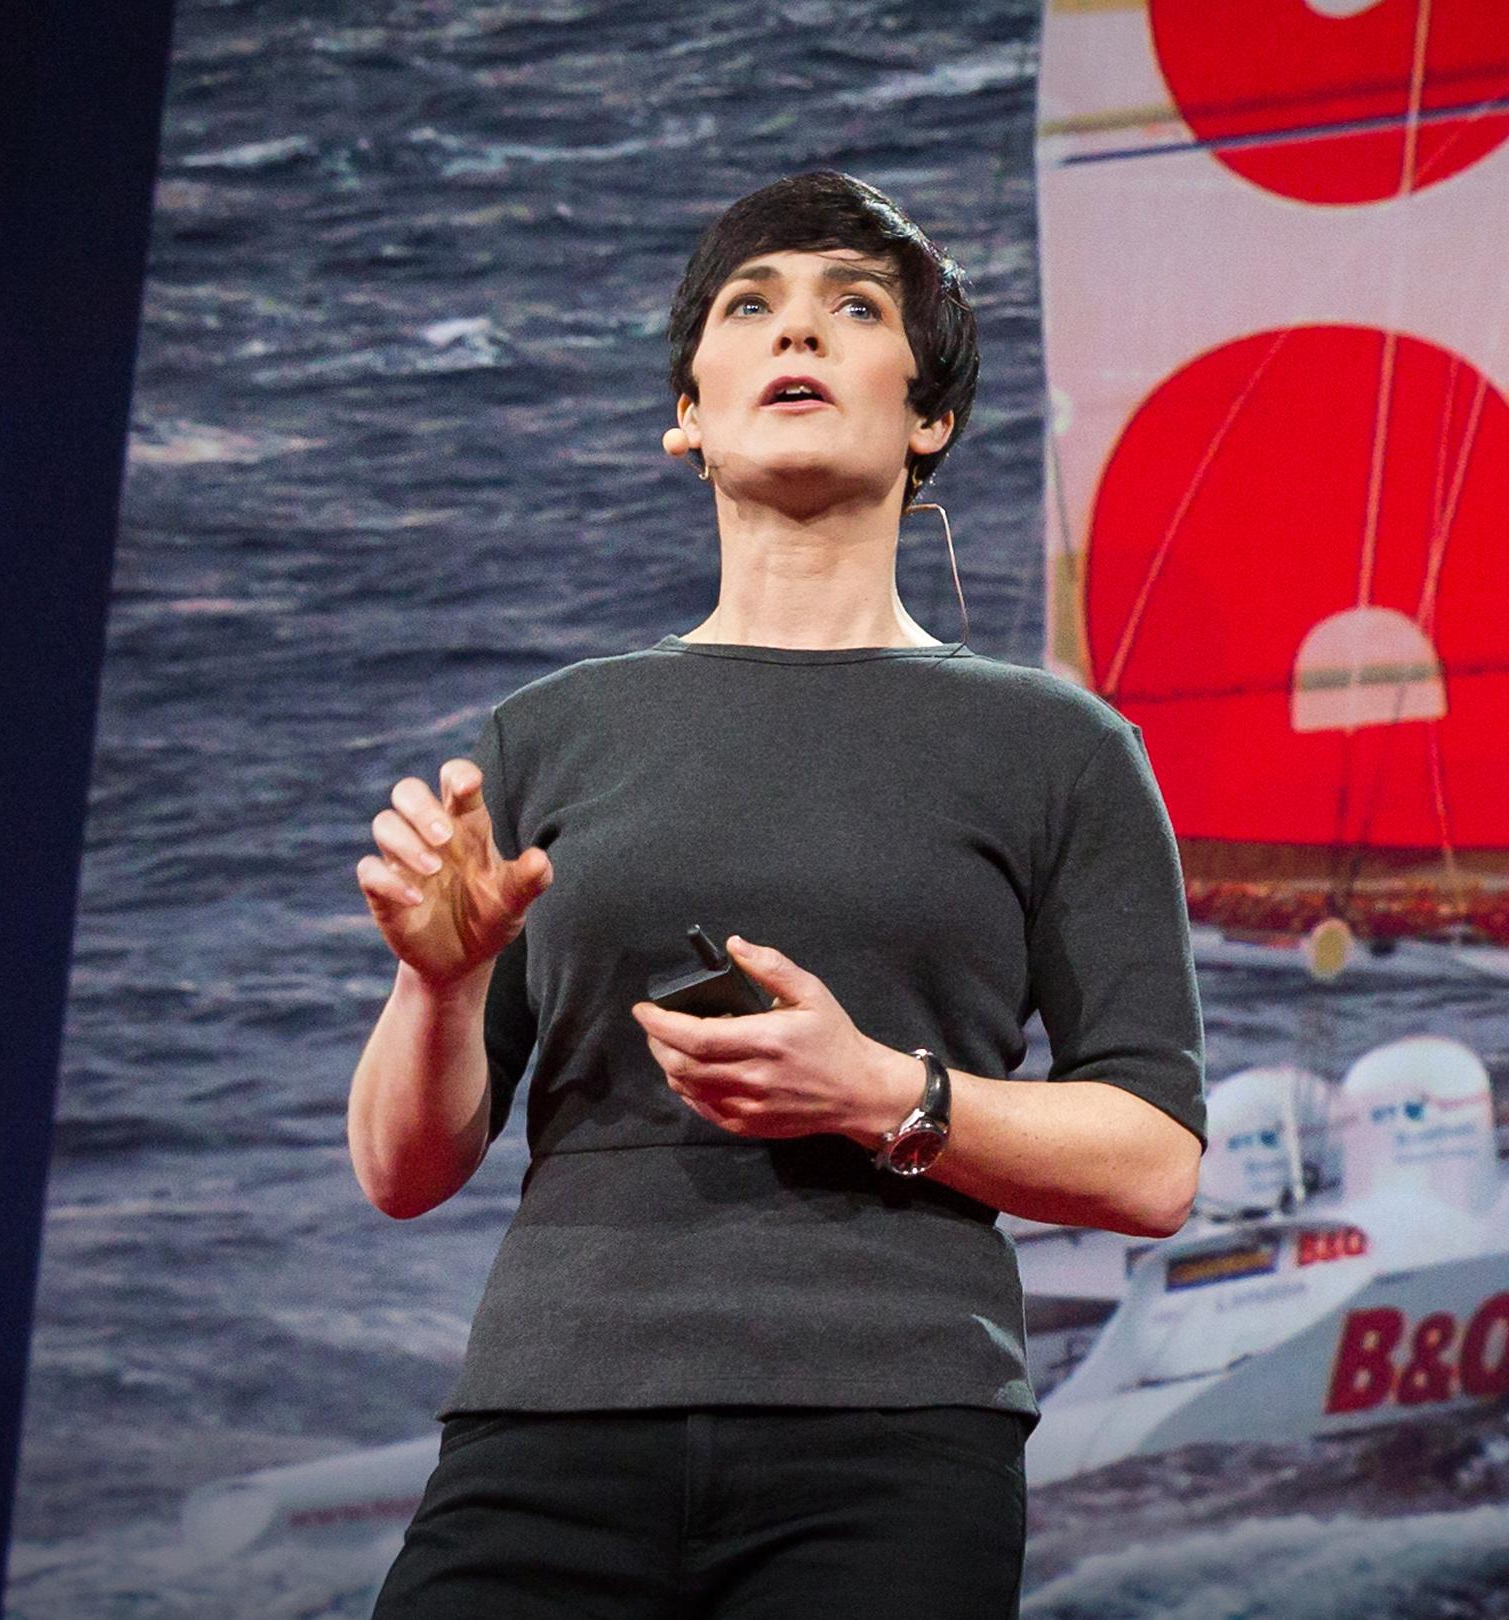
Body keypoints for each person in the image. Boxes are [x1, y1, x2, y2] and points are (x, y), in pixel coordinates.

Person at [345, 171, 1207, 1617]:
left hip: (892, 1443)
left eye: (853, 308)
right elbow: (403, 1171)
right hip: (550, 1425)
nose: (796, 331)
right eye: (752, 306)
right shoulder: (548, 737)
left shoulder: (1060, 750)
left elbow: (1155, 1160)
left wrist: (880, 1090)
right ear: (689, 409)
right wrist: (437, 984)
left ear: (928, 415)